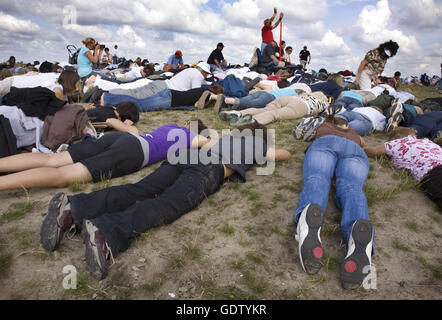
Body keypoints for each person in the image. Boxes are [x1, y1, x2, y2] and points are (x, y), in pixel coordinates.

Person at [38, 122, 291, 279]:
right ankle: (107, 231)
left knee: (140, 189)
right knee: (166, 205)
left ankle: (75, 208)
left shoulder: (225, 139)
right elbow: (283, 154)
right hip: (209, 168)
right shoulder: (256, 143)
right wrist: (264, 148)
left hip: (186, 155)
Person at [0, 120, 209, 191]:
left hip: (123, 139)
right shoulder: (190, 135)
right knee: (65, 175)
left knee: (53, 159)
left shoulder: (170, 126)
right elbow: (207, 143)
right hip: (134, 153)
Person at [293, 115, 374, 290]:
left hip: (325, 144)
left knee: (318, 178)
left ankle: (308, 220)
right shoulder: (354, 133)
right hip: (354, 149)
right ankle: (358, 233)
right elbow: (364, 144)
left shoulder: (323, 128)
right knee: (352, 187)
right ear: (346, 124)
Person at [364, 127, 442, 211]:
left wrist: (362, 147)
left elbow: (371, 151)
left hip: (433, 172)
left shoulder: (397, 142)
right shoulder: (428, 142)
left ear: (396, 137)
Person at [100, 62, 212, 103]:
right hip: (164, 90)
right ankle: (106, 94)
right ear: (203, 71)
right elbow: (196, 92)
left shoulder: (189, 70)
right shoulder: (197, 75)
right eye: (206, 74)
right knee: (136, 95)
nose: (205, 76)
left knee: (133, 91)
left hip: (161, 84)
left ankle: (108, 92)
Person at [219, 91, 328, 126]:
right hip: (303, 106)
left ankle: (237, 113)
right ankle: (251, 121)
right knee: (275, 114)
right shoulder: (324, 102)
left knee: (265, 109)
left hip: (290, 98)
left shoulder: (307, 94)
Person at [99, 84, 223, 112]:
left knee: (139, 102)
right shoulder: (206, 94)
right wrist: (212, 98)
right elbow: (198, 106)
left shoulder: (202, 89)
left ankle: (110, 100)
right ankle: (108, 98)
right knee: (140, 105)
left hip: (169, 94)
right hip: (169, 99)